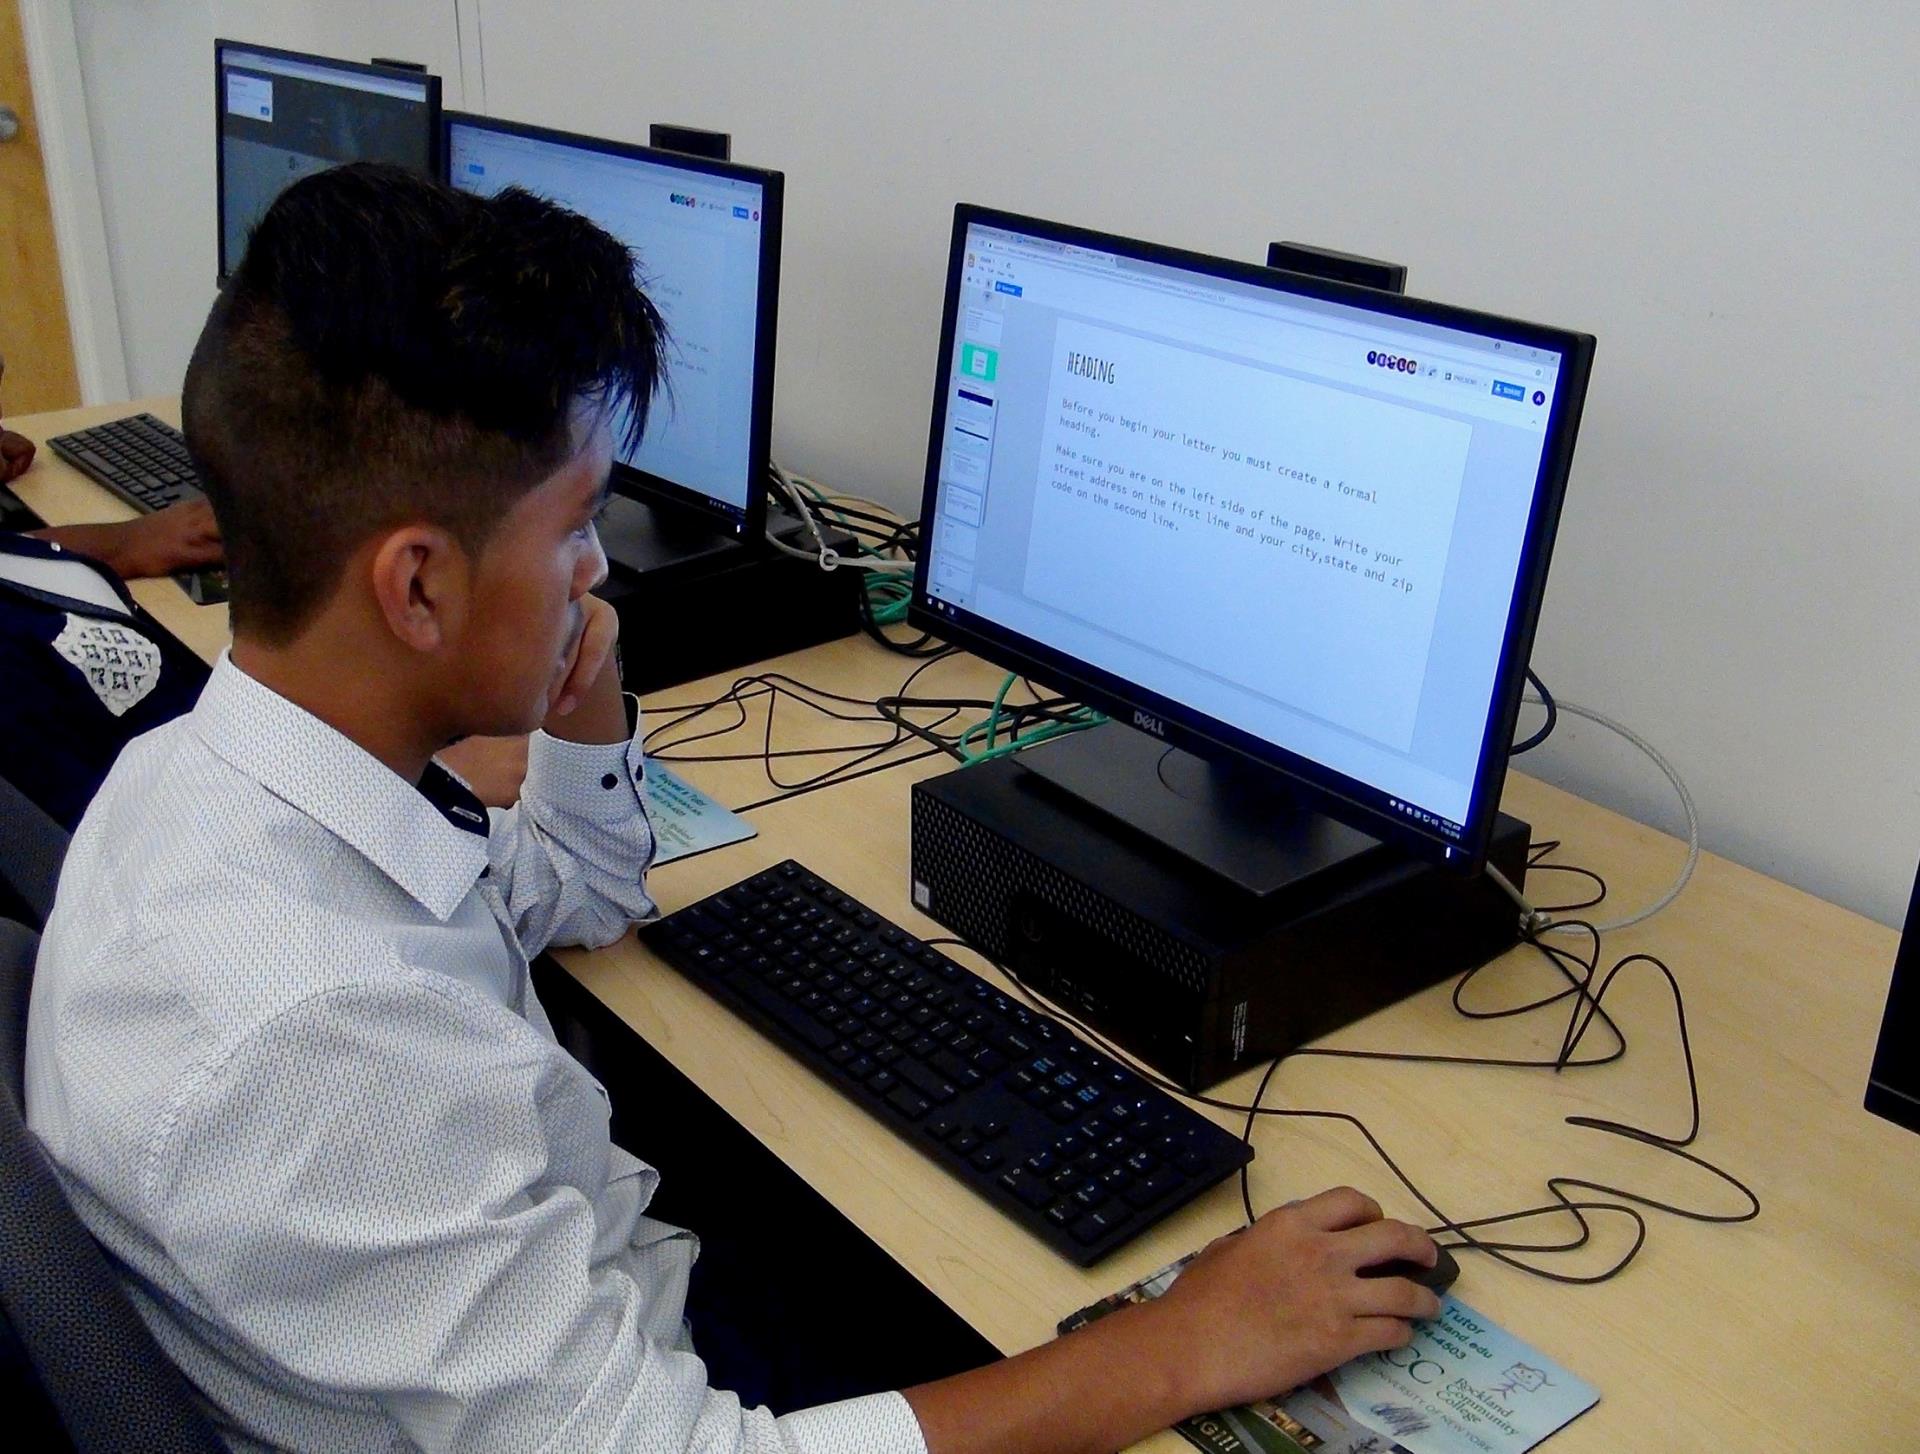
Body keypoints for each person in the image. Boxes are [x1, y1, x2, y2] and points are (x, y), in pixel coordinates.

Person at [26, 164, 1440, 1454]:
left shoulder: (215, 782)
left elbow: (551, 901)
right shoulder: (321, 1039)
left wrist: (578, 717)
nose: (598, 568)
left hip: (556, 1309)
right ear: (416, 586)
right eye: (576, 521)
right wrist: (1180, 1346)